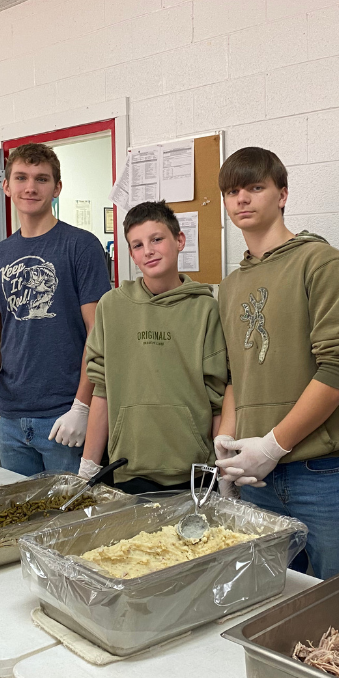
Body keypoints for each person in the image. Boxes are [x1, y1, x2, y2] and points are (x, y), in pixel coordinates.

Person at [214, 147, 339, 580]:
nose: (242, 199)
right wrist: (227, 444)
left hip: (322, 475)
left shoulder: (319, 262)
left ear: (282, 194)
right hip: (256, 481)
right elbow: (234, 378)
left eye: (255, 187)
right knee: (266, 601)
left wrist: (273, 445)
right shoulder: (230, 286)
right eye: (232, 191)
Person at [0, 143, 111, 475]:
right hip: (11, 418)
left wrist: (82, 406)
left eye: (42, 179)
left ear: (57, 188)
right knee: (23, 519)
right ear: (6, 186)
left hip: (64, 415)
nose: (31, 187)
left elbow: (99, 334)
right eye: (20, 177)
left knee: (70, 522)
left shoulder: (80, 245)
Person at [80, 201, 227, 493]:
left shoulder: (206, 309)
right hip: (127, 468)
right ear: (131, 254)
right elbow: (102, 389)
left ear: (179, 240)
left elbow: (218, 397)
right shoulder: (112, 306)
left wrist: (222, 473)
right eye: (137, 245)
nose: (147, 250)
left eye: (156, 239)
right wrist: (88, 466)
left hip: (194, 473)